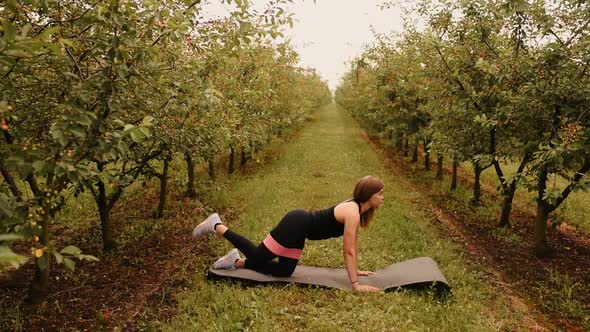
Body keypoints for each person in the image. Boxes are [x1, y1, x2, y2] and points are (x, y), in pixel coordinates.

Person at [193, 175, 384, 292]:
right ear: (369, 194)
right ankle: (216, 225)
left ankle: (236, 261)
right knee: (259, 256)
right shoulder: (352, 211)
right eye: (380, 193)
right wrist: (356, 284)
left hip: (301, 232)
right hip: (296, 223)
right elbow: (348, 251)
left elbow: (354, 243)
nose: (382, 197)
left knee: (285, 271)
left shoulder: (357, 212)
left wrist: (356, 270)